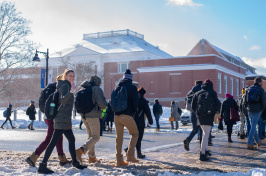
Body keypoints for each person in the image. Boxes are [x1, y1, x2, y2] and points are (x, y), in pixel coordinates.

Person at [38, 69, 86, 174]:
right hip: (60, 120)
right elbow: (63, 100)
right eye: (70, 76)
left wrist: (71, 91)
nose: (72, 78)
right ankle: (42, 165)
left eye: (73, 76)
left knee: (71, 139)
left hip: (65, 120)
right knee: (53, 143)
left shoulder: (66, 86)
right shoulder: (65, 86)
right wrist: (71, 92)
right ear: (65, 76)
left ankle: (75, 162)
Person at [25, 82, 71, 167]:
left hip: (47, 116)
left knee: (58, 137)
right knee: (49, 138)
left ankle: (62, 158)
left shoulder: (47, 89)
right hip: (52, 117)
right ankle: (33, 157)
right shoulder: (57, 89)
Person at [76, 75, 106, 164]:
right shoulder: (96, 89)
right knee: (96, 137)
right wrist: (104, 107)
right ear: (97, 82)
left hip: (84, 116)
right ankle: (81, 150)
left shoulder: (82, 89)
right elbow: (102, 104)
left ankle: (92, 157)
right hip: (93, 116)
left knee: (90, 137)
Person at [113, 69, 139, 166]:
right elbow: (135, 103)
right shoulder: (132, 88)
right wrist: (133, 113)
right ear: (131, 78)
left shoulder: (117, 87)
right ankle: (130, 156)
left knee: (119, 138)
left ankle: (119, 160)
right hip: (127, 115)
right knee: (135, 134)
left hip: (116, 116)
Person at [191, 79, 220, 161]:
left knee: (205, 133)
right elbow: (217, 105)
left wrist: (198, 112)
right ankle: (202, 154)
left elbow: (193, 106)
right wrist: (214, 112)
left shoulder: (197, 93)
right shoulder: (212, 93)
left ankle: (206, 150)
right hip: (209, 115)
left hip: (200, 116)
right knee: (205, 135)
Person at [125, 87, 153, 159]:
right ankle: (138, 153)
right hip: (140, 122)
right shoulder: (143, 101)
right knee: (139, 137)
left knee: (134, 136)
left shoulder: (133, 99)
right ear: (143, 94)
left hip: (132, 121)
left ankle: (129, 149)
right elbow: (147, 111)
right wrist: (150, 120)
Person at [244, 77, 265, 150]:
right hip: (257, 110)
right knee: (253, 127)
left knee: (253, 126)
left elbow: (245, 100)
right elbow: (263, 101)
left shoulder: (249, 89)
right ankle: (249, 143)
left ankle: (258, 141)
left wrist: (247, 107)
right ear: (260, 83)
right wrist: (262, 109)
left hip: (249, 110)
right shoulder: (261, 89)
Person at [183, 80, 202, 151]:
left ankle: (188, 139)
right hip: (199, 113)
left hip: (192, 112)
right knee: (201, 129)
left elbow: (186, 102)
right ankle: (202, 149)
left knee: (195, 129)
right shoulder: (201, 90)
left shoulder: (190, 92)